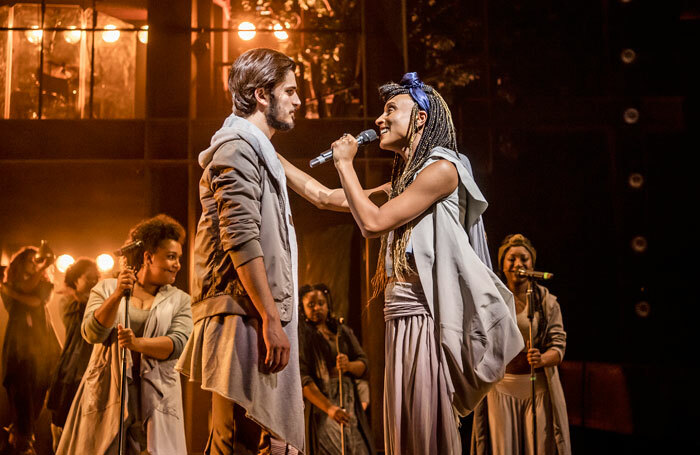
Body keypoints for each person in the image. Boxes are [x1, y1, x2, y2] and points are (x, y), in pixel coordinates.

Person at [280, 72, 524, 454]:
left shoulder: (444, 170)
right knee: (405, 431)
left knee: (423, 429)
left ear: (421, 119)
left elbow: (372, 223)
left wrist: (345, 164)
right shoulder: (402, 185)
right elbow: (325, 197)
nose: (379, 119)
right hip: (399, 321)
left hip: (425, 320)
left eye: (391, 109)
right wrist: (266, 150)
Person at [176, 47, 305, 455]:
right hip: (240, 311)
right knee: (237, 439)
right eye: (291, 91)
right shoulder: (235, 148)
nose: (298, 101)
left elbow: (324, 195)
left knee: (258, 439)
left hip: (252, 310)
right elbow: (240, 235)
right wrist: (269, 316)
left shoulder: (258, 150)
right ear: (263, 95)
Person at [56, 214, 193, 455]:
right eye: (171, 257)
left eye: (178, 258)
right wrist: (118, 294)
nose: (177, 264)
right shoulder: (106, 288)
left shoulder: (180, 300)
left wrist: (137, 343)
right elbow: (91, 333)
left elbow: (179, 344)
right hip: (108, 393)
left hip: (155, 399)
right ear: (148, 257)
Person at [471, 234, 571, 455]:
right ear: (502, 264)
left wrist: (543, 358)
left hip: (537, 388)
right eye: (512, 259)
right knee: (503, 449)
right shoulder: (491, 299)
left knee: (539, 447)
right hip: (501, 387)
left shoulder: (546, 301)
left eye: (524, 259)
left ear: (532, 263)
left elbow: (559, 346)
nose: (518, 264)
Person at [298, 284, 375, 455]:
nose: (317, 308)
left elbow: (364, 365)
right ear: (303, 308)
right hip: (323, 406)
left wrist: (349, 365)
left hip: (350, 402)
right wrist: (330, 408)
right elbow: (303, 379)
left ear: (328, 304)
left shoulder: (342, 331)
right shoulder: (302, 336)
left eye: (321, 303)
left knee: (357, 448)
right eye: (311, 305)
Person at [0, 245, 60, 455]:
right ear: (19, 263)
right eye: (30, 260)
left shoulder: (42, 283)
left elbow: (35, 300)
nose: (36, 263)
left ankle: (17, 440)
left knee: (34, 407)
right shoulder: (10, 283)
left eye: (37, 260)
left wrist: (45, 267)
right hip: (18, 353)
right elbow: (24, 291)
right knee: (21, 403)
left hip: (41, 352)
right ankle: (22, 444)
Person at [45, 258, 100, 449]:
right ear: (76, 280)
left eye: (96, 278)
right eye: (88, 278)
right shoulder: (67, 301)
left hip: (90, 372)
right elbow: (83, 311)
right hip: (71, 372)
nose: (94, 282)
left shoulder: (95, 302)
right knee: (63, 435)